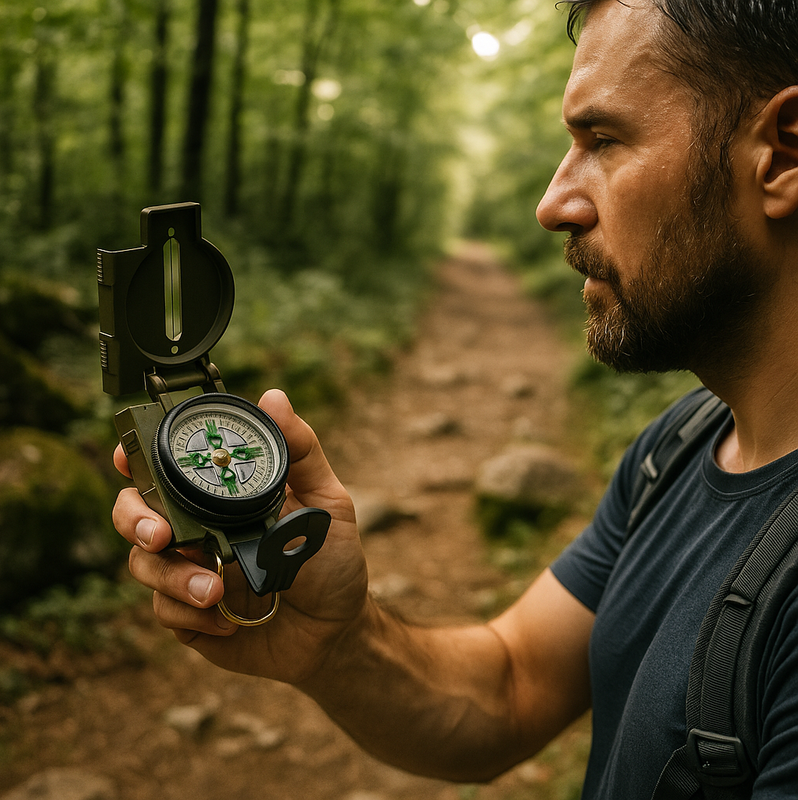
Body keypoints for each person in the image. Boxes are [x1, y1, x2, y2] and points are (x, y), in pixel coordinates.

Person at [112, 0, 798, 796]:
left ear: (783, 155)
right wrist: (337, 644)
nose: (553, 204)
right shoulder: (681, 447)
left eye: (603, 140)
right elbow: (511, 689)